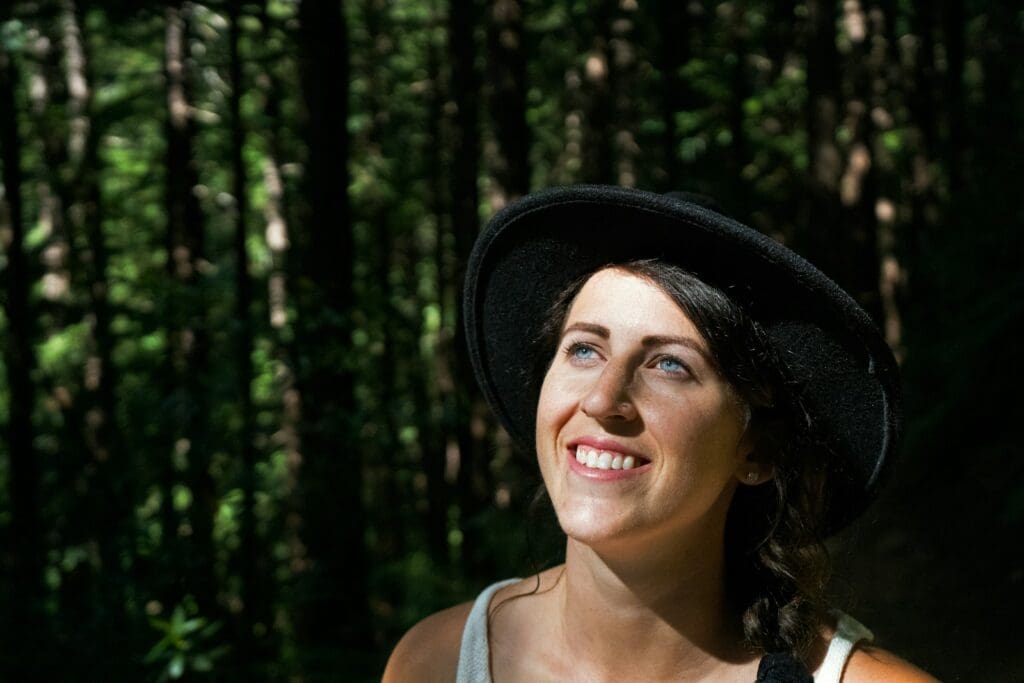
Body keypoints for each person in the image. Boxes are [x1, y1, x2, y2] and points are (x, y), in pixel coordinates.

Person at [383, 186, 935, 682]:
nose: (602, 400)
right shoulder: (436, 663)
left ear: (759, 448)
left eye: (670, 365)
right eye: (583, 349)